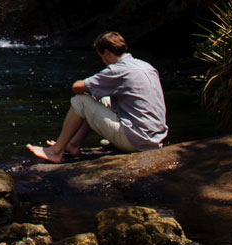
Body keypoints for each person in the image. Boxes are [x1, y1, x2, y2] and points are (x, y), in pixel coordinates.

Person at [28, 31, 168, 163]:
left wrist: (93, 80)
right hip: (155, 138)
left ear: (106, 53)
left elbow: (76, 88)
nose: (103, 61)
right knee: (102, 99)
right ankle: (73, 144)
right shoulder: (145, 65)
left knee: (81, 101)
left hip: (138, 141)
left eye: (101, 57)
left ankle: (56, 151)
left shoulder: (117, 70)